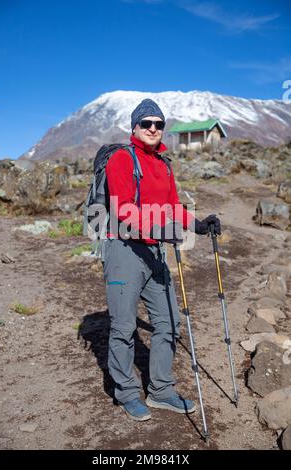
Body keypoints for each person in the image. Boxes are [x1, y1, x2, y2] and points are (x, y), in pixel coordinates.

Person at [102, 99, 221, 421]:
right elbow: (122, 208)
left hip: (154, 250)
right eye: (146, 123)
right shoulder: (121, 160)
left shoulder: (164, 165)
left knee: (169, 320)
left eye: (158, 124)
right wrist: (157, 227)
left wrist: (195, 222)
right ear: (135, 127)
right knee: (124, 326)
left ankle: (161, 391)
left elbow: (172, 205)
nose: (153, 129)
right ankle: (126, 393)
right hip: (123, 250)